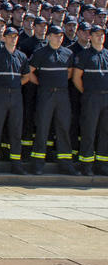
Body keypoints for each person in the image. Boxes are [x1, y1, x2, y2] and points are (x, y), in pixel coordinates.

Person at [27, 24, 75, 175]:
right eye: (56, 35)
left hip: (62, 95)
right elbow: (29, 73)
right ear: (48, 37)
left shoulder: (68, 53)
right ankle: (38, 164)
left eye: (61, 36)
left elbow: (69, 73)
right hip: (46, 94)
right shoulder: (40, 53)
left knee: (63, 128)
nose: (59, 38)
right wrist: (42, 84)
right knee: (42, 127)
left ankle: (66, 163)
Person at [0, 26, 30, 174]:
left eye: (15, 36)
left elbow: (26, 76)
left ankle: (16, 164)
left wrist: (15, 85)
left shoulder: (21, 56)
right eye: (10, 36)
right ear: (4, 38)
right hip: (0, 95)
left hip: (16, 96)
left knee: (16, 131)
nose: (13, 38)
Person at [72, 25, 108, 176]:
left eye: (102, 35)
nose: (100, 37)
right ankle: (86, 164)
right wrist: (87, 93)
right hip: (91, 97)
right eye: (97, 35)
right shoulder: (85, 55)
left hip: (106, 97)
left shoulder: (107, 54)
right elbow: (76, 78)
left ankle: (102, 164)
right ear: (90, 37)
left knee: (105, 132)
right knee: (89, 131)